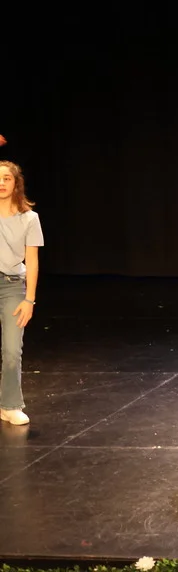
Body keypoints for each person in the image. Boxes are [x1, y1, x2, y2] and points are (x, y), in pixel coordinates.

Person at [0, 161, 43, 426]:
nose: (1, 183)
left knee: (11, 350)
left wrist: (29, 299)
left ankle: (9, 405)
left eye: (7, 178)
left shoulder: (29, 218)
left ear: (16, 183)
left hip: (12, 285)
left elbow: (33, 261)